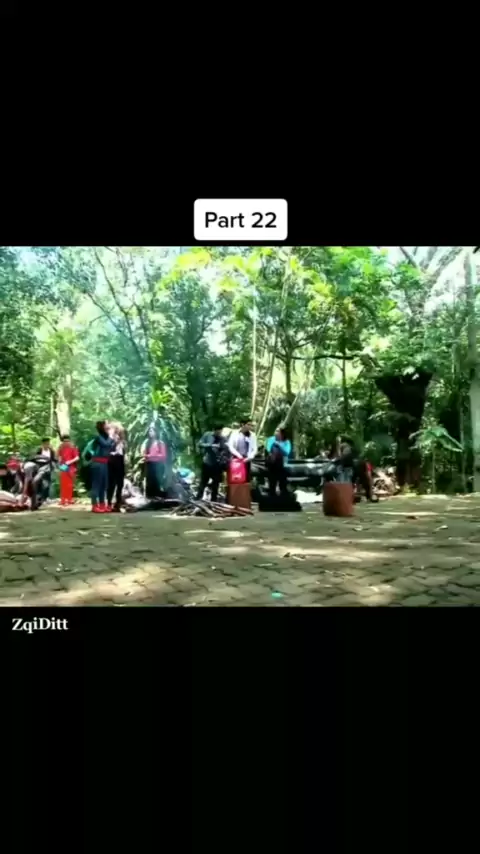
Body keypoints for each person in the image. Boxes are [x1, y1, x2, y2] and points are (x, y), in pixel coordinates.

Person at [196, 424, 229, 501]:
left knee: (216, 484)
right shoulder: (207, 435)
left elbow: (225, 450)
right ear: (214, 430)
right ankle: (198, 499)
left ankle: (213, 500)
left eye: (220, 431)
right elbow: (199, 444)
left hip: (217, 465)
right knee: (203, 482)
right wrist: (210, 445)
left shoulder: (223, 438)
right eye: (217, 431)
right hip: (207, 463)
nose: (219, 433)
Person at [90, 421, 116, 513]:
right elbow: (105, 444)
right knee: (96, 485)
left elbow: (110, 446)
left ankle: (102, 504)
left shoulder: (106, 437)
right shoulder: (98, 437)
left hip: (104, 463)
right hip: (97, 463)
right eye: (106, 425)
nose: (108, 427)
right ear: (102, 427)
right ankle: (94, 505)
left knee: (103, 485)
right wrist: (111, 436)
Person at [265, 427, 292, 498]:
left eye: (278, 431)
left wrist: (279, 445)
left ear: (282, 433)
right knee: (272, 481)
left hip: (282, 464)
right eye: (275, 431)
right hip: (272, 463)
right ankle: (272, 495)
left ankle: (283, 495)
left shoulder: (286, 442)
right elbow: (268, 449)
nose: (276, 432)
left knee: (282, 481)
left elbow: (287, 452)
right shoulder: (271, 439)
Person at [141, 426, 167, 498]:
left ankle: (157, 496)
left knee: (157, 481)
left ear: (156, 432)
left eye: (152, 431)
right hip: (149, 464)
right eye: (149, 431)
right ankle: (149, 497)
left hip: (158, 465)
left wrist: (151, 456)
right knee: (149, 481)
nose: (150, 433)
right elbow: (144, 454)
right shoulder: (147, 443)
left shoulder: (160, 443)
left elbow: (163, 455)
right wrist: (146, 456)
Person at [107, 423, 126, 512]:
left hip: (120, 463)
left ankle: (117, 504)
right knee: (111, 484)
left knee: (119, 485)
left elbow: (123, 453)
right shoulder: (109, 441)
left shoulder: (122, 442)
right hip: (112, 463)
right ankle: (109, 503)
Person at [57, 435, 80, 506]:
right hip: (63, 466)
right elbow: (59, 457)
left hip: (71, 467)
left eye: (67, 441)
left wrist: (70, 461)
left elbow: (77, 458)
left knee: (69, 484)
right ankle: (63, 500)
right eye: (64, 441)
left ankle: (69, 499)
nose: (66, 442)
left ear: (70, 441)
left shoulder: (73, 448)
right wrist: (59, 465)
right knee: (63, 483)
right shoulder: (61, 448)